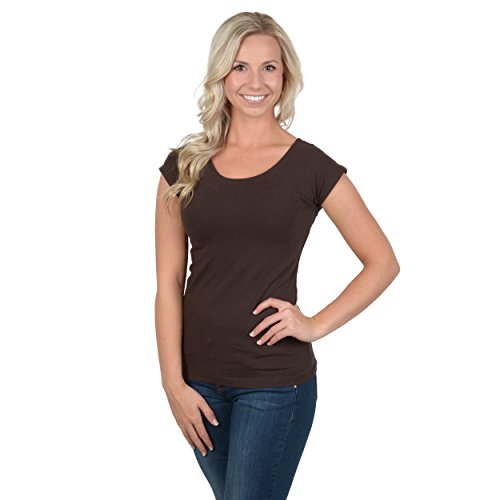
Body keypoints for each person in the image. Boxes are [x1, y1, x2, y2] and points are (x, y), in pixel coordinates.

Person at [154, 11, 400, 500]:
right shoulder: (183, 167)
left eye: (269, 67)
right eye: (240, 67)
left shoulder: (310, 167)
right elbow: (167, 286)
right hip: (199, 385)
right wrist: (173, 384)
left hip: (273, 383)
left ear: (285, 76)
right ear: (221, 74)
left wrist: (315, 324)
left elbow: (382, 261)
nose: (255, 82)